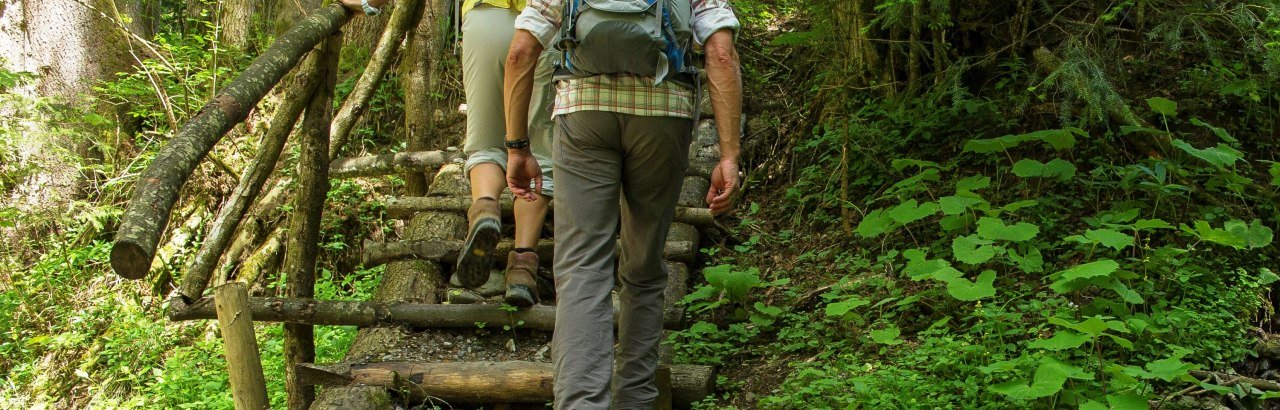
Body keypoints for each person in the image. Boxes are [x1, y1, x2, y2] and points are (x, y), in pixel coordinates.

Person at [503, 0, 743, 407]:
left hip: (583, 113)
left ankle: (580, 402)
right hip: (664, 112)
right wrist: (728, 155)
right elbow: (720, 52)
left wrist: (517, 146)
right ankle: (635, 398)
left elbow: (520, 52)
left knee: (581, 265)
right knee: (645, 265)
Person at [452, 0, 559, 306]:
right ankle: (523, 265)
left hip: (486, 13)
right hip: (546, 19)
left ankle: (485, 208)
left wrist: (368, 3)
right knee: (539, 147)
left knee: (485, 140)